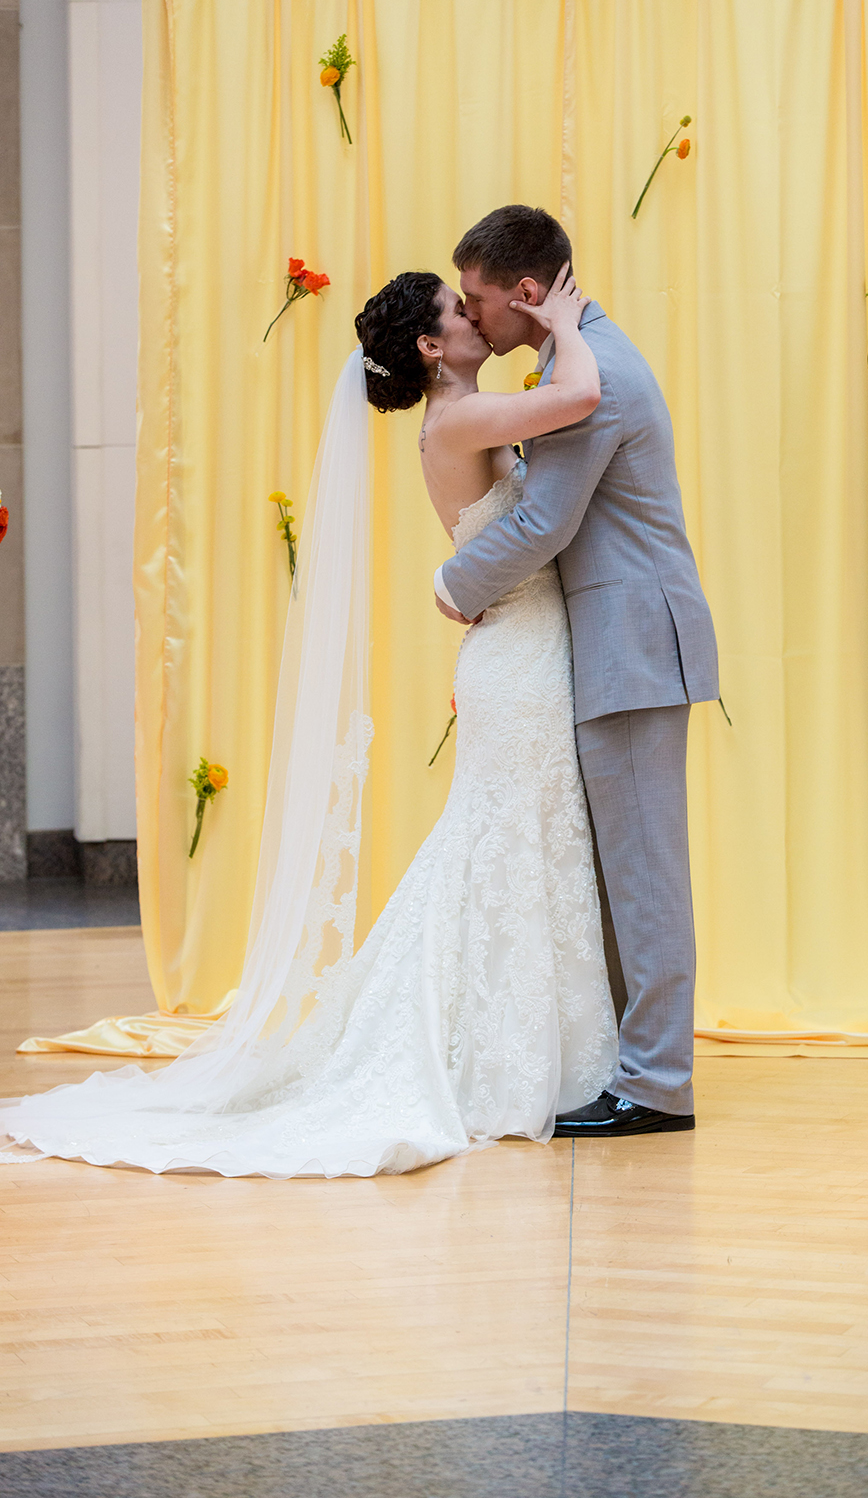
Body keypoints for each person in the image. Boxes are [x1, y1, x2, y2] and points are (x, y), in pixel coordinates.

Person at [0, 265, 618, 1177]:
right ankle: (498, 1059)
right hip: (516, 659)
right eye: (461, 312)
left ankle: (521, 1047)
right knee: (502, 843)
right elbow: (585, 397)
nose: (480, 320)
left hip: (520, 649)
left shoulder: (463, 413)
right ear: (428, 346)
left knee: (510, 844)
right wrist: (563, 320)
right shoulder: (457, 419)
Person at [436, 206, 718, 1136]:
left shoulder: (591, 378)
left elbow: (543, 523)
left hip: (630, 645)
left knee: (643, 874)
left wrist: (452, 585)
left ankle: (657, 1086)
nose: (474, 321)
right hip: (618, 642)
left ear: (525, 293)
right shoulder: (575, 362)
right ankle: (631, 1068)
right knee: (618, 870)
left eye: (480, 301)